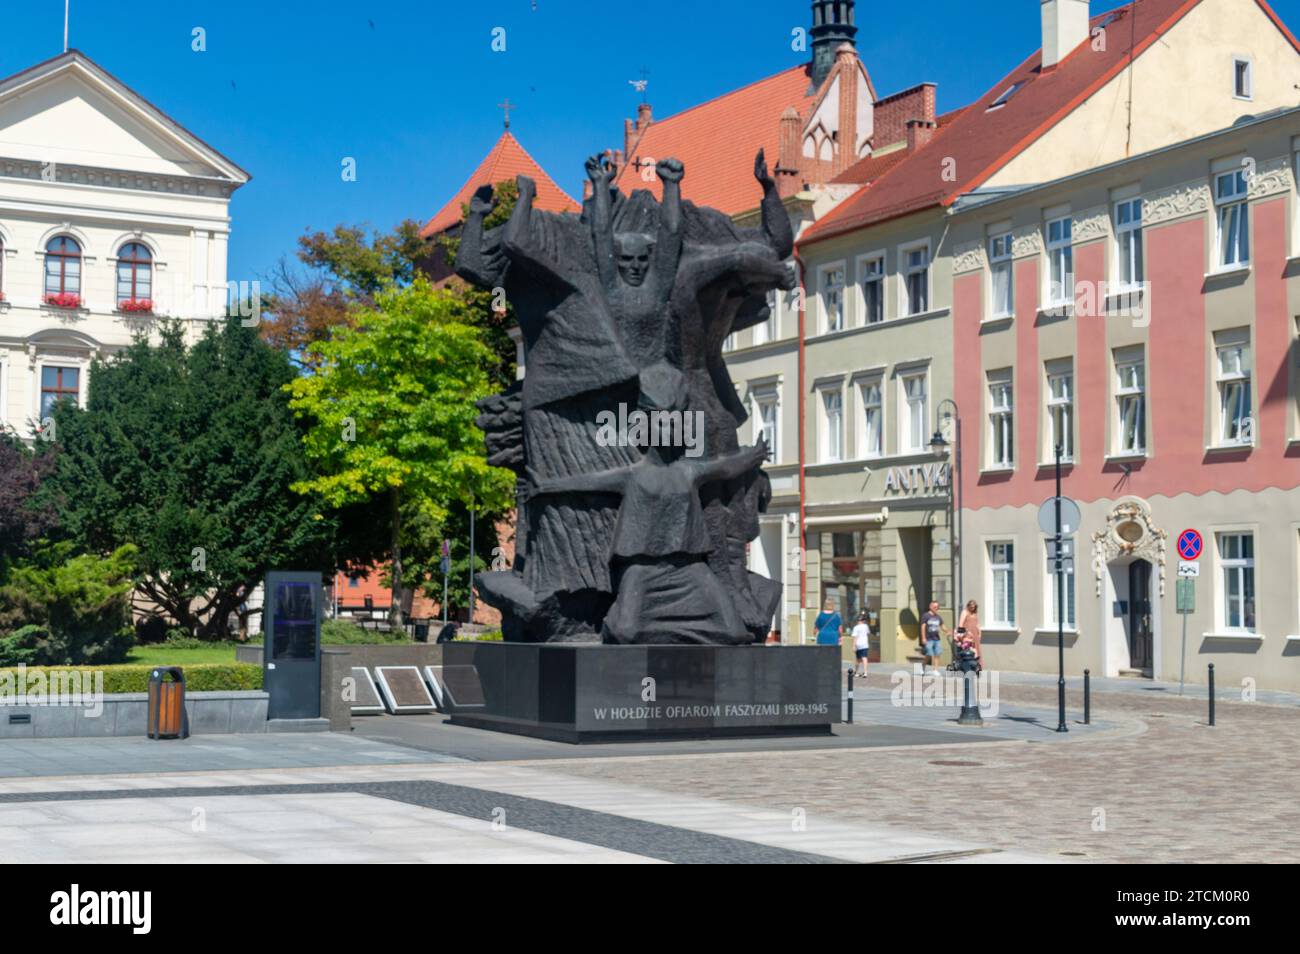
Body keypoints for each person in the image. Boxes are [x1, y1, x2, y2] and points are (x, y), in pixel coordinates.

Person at [919, 599, 948, 671]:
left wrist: (948, 631)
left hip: (936, 639)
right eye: (935, 607)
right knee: (929, 654)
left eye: (937, 607)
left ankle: (936, 670)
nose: (936, 608)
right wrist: (923, 638)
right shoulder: (926, 616)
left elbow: (942, 626)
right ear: (930, 607)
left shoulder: (938, 617)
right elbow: (923, 627)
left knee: (937, 654)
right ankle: (923, 665)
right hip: (928, 639)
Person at [957, 600, 982, 670]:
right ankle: (969, 667)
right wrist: (966, 633)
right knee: (969, 650)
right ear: (968, 606)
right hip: (967, 634)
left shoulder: (974, 613)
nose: (972, 608)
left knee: (976, 650)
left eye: (974, 607)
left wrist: (980, 632)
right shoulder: (965, 612)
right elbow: (960, 625)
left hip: (975, 635)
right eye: (971, 607)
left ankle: (975, 666)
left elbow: (977, 623)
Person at [851, 613, 871, 677]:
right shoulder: (866, 626)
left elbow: (855, 637)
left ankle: (856, 672)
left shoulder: (856, 628)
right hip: (865, 644)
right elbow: (868, 633)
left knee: (858, 659)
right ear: (863, 621)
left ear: (858, 621)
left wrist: (853, 646)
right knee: (864, 658)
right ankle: (865, 672)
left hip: (858, 645)